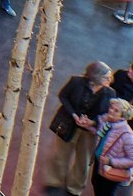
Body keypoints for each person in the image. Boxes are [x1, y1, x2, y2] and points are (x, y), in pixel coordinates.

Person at [40, 61, 114, 196]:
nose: (109, 80)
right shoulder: (76, 82)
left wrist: (92, 122)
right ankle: (54, 182)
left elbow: (108, 114)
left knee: (83, 161)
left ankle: (74, 189)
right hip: (68, 124)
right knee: (60, 155)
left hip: (90, 132)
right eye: (106, 77)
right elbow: (63, 96)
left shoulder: (110, 93)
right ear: (95, 76)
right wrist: (74, 115)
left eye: (109, 77)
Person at [91, 97, 133, 196]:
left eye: (116, 110)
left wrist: (111, 161)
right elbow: (101, 135)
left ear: (123, 116)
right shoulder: (108, 122)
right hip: (99, 162)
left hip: (110, 169)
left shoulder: (126, 134)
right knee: (96, 185)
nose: (111, 111)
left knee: (105, 193)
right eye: (111, 108)